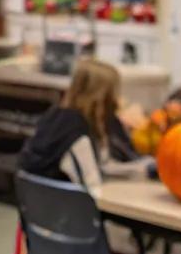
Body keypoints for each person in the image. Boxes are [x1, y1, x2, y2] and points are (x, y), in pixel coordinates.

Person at [19, 58, 136, 193]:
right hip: (69, 208)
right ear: (102, 98)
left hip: (42, 206)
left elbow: (104, 165)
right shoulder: (77, 134)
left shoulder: (55, 117)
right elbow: (92, 187)